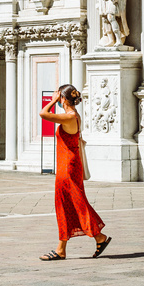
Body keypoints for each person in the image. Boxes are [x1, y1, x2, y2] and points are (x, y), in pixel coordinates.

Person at [39, 84, 112, 261]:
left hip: (68, 167)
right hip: (69, 165)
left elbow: (43, 114)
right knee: (69, 204)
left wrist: (52, 100)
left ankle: (97, 237)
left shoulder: (69, 117)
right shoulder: (73, 116)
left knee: (73, 203)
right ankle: (62, 248)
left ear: (63, 99)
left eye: (59, 97)